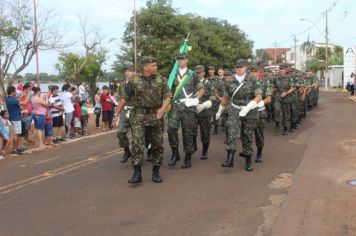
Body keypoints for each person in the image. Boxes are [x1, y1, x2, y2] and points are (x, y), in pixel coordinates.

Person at [116, 56, 172, 184]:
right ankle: (137, 173)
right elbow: (124, 98)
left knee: (157, 145)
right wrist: (117, 114)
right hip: (139, 116)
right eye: (153, 65)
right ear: (145, 67)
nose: (156, 67)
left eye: (156, 65)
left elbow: (168, 96)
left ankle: (156, 172)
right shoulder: (134, 81)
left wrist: (162, 109)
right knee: (137, 144)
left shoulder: (161, 80)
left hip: (156, 116)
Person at [217, 59, 262, 171]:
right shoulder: (230, 81)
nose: (239, 69)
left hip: (249, 111)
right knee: (232, 132)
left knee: (247, 135)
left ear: (246, 67)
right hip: (234, 110)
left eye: (241, 67)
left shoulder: (252, 80)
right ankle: (230, 159)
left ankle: (248, 160)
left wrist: (248, 107)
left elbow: (259, 96)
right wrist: (219, 111)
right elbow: (226, 98)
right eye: (237, 67)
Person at [167, 52, 204, 168]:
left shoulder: (192, 74)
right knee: (171, 129)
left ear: (187, 60)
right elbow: (168, 91)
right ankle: (175, 152)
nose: (181, 61)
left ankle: (188, 157)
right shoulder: (173, 74)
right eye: (179, 59)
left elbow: (201, 90)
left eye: (183, 59)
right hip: (176, 106)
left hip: (189, 107)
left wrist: (196, 100)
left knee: (187, 132)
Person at [250, 66, 272, 162]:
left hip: (260, 112)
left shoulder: (264, 82)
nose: (253, 73)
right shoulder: (245, 83)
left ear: (258, 73)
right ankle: (248, 154)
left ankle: (259, 153)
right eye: (251, 71)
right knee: (247, 135)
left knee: (259, 135)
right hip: (248, 113)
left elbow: (269, 98)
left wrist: (261, 103)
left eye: (255, 72)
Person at [193, 65, 215, 160]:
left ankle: (204, 151)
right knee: (191, 131)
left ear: (203, 73)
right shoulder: (191, 82)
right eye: (196, 72)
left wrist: (207, 104)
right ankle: (193, 146)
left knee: (205, 132)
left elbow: (213, 96)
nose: (197, 74)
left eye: (199, 72)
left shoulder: (208, 83)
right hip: (193, 110)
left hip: (205, 110)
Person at [6, 86, 25, 155]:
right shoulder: (12, 100)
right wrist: (27, 95)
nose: (16, 93)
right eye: (15, 91)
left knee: (16, 134)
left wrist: (22, 95)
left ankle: (15, 149)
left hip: (13, 118)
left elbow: (18, 100)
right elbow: (24, 103)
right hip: (16, 118)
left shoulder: (8, 99)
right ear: (12, 92)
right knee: (16, 134)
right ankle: (15, 149)